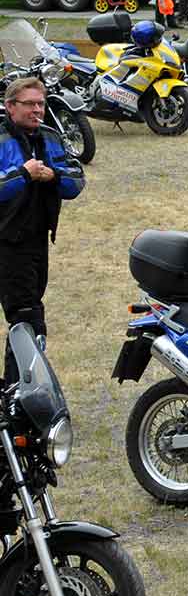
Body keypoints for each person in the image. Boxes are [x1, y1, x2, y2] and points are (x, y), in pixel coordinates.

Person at [0, 78, 85, 386]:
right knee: (27, 318)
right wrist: (23, 174)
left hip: (37, 240)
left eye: (41, 104)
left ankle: (17, 385)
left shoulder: (50, 137)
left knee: (27, 317)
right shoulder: (1, 138)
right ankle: (20, 389)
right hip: (7, 243)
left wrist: (54, 175)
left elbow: (77, 181)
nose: (37, 110)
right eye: (29, 104)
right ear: (11, 107)